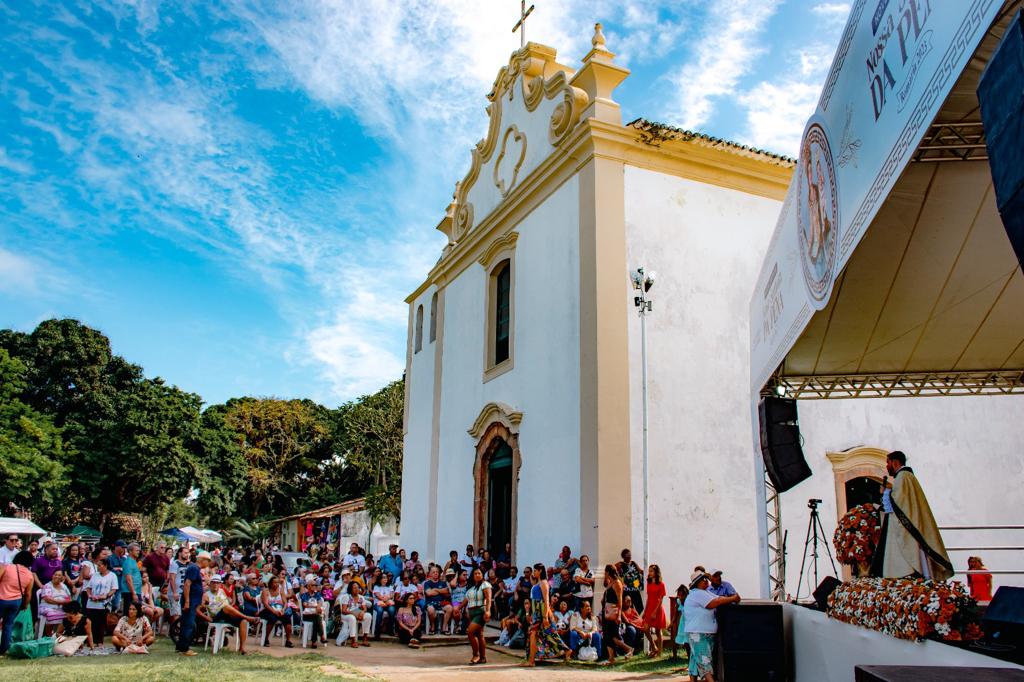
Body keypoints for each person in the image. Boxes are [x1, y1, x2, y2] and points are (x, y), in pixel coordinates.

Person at [871, 450, 954, 580]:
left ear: (895, 462)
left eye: (887, 463)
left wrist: (886, 492)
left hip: (904, 529)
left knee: (906, 557)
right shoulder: (906, 477)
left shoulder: (903, 477)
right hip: (907, 523)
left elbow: (898, 502)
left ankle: (906, 573)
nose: (886, 467)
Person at [684, 571, 741, 682]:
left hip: (704, 632)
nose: (707, 581)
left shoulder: (705, 593)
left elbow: (719, 598)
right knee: (704, 660)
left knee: (697, 659)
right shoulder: (697, 594)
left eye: (707, 579)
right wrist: (733, 598)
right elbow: (715, 602)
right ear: (697, 583)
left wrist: (730, 598)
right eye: (703, 580)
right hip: (698, 633)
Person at [523, 562, 570, 666]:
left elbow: (546, 600)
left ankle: (531, 661)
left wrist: (545, 616)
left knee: (535, 633)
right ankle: (565, 650)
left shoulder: (544, 583)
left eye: (535, 570)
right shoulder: (538, 583)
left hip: (541, 610)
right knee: (548, 634)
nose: (534, 572)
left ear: (540, 571)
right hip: (536, 611)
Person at [176, 549, 211, 656]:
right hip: (190, 601)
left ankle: (180, 646)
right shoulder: (194, 568)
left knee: (186, 623)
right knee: (188, 624)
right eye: (207, 561)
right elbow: (187, 584)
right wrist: (187, 601)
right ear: (202, 560)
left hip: (193, 601)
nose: (208, 564)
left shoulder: (195, 568)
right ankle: (185, 648)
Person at [0, 550, 33, 655]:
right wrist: (25, 604)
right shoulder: (29, 575)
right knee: (8, 626)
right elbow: (28, 594)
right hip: (16, 602)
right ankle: (3, 650)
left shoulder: (7, 567)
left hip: (1, 598)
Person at [600, 564, 633, 664]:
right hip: (606, 612)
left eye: (605, 572)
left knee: (613, 636)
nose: (604, 574)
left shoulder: (617, 583)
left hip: (613, 612)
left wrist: (619, 615)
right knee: (607, 635)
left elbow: (620, 600)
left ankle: (628, 649)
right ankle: (611, 658)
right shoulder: (610, 582)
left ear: (608, 572)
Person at [86, 557, 119, 647]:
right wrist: (90, 595)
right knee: (92, 622)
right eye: (97, 565)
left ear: (105, 566)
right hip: (92, 602)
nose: (98, 567)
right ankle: (92, 641)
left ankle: (100, 641)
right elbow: (88, 588)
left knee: (101, 622)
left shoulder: (112, 575)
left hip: (104, 603)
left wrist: (106, 595)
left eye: (100, 565)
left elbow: (114, 589)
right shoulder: (95, 575)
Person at [464, 567, 492, 665]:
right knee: (479, 634)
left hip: (480, 611)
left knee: (470, 632)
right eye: (475, 573)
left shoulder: (485, 585)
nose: (477, 575)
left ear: (482, 574)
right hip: (471, 612)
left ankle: (476, 655)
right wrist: (458, 609)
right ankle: (483, 657)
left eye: (479, 573)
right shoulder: (471, 587)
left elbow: (488, 598)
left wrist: (488, 611)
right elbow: (466, 600)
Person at [260, 575, 295, 648]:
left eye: (277, 583)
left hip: (279, 610)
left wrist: (283, 610)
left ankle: (288, 641)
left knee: (287, 619)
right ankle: (266, 639)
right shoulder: (265, 591)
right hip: (268, 610)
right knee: (272, 618)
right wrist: (274, 611)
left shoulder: (280, 590)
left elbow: (285, 603)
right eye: (274, 583)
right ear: (270, 583)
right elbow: (266, 604)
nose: (276, 584)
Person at [337, 580, 373, 647]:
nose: (357, 589)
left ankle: (365, 638)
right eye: (354, 588)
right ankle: (353, 640)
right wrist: (354, 614)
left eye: (358, 587)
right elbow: (344, 611)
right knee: (352, 618)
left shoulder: (361, 597)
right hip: (347, 614)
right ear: (350, 589)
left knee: (368, 616)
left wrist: (362, 612)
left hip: (357, 613)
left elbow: (365, 608)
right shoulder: (346, 597)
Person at [643, 564, 668, 657]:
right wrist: (645, 611)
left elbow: (661, 599)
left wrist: (654, 612)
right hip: (649, 607)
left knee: (658, 631)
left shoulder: (661, 584)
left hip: (657, 609)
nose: (649, 572)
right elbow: (648, 598)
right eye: (649, 571)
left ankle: (660, 653)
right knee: (645, 629)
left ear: (656, 572)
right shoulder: (649, 583)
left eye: (651, 571)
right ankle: (654, 647)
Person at [39, 568, 73, 635]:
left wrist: (63, 602)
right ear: (52, 576)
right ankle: (49, 635)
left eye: (59, 575)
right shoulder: (47, 586)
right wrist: (62, 602)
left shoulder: (64, 586)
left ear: (62, 578)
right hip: (47, 607)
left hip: (61, 608)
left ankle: (58, 634)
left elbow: (69, 598)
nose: (57, 576)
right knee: (51, 614)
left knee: (71, 615)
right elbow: (48, 599)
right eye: (55, 574)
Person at [423, 565, 451, 636]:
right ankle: (432, 626)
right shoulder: (427, 583)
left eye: (437, 572)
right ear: (430, 574)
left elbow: (447, 592)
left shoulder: (443, 582)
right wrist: (441, 591)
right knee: (430, 610)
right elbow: (429, 593)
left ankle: (444, 628)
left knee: (450, 608)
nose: (435, 573)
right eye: (433, 572)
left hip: (441, 602)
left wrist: (435, 590)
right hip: (430, 603)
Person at [299, 579, 328, 648]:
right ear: (308, 586)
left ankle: (314, 641)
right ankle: (321, 636)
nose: (315, 586)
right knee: (317, 617)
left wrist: (318, 606)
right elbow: (305, 605)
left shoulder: (317, 594)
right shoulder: (305, 595)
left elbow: (320, 602)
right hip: (307, 615)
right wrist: (316, 606)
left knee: (316, 619)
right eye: (313, 585)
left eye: (315, 585)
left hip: (315, 615)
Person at [121, 542, 144, 615]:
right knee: (130, 613)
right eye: (136, 550)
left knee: (137, 613)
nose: (138, 552)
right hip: (130, 592)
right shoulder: (128, 562)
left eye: (139, 550)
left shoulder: (134, 561)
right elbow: (128, 579)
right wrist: (134, 593)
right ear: (130, 551)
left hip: (137, 591)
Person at [372, 571, 397, 638]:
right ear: (380, 579)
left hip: (388, 603)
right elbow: (378, 596)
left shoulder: (390, 586)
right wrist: (385, 600)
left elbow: (391, 595)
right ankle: (377, 631)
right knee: (380, 611)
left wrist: (387, 600)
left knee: (392, 610)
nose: (385, 579)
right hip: (378, 603)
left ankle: (390, 629)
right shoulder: (376, 586)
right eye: (383, 578)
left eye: (386, 577)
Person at [671, 584, 689, 659]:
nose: (681, 597)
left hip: (690, 625)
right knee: (686, 643)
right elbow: (675, 615)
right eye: (679, 595)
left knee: (690, 643)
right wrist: (671, 623)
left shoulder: (690, 601)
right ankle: (688, 661)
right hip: (683, 625)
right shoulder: (678, 602)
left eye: (683, 595)